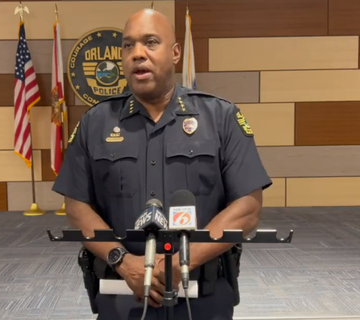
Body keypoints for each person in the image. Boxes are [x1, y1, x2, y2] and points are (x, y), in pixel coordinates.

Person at [52, 8, 272, 320]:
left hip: (204, 294)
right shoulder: (95, 123)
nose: (137, 54)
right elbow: (76, 206)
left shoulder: (220, 118)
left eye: (150, 42)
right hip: (121, 292)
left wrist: (181, 262)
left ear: (175, 53)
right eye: (128, 45)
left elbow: (248, 208)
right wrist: (122, 260)